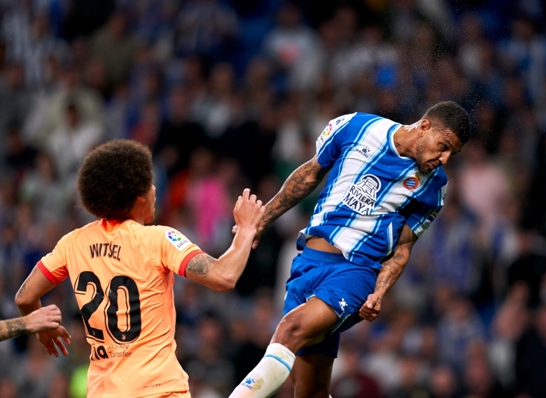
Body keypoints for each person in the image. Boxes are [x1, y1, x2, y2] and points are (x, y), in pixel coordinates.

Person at [229, 101, 471, 398]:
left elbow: (404, 247)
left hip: (356, 272)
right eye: (443, 146)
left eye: (452, 154)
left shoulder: (435, 186)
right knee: (309, 392)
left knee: (289, 329)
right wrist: (261, 219)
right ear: (424, 127)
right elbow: (309, 174)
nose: (444, 158)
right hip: (308, 263)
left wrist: (380, 291)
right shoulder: (356, 127)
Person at [14, 140, 264, 397]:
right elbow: (224, 276)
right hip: (159, 391)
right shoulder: (157, 240)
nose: (156, 189)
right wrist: (246, 230)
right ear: (138, 195)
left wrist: (43, 329)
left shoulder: (73, 243)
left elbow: (24, 297)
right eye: (151, 183)